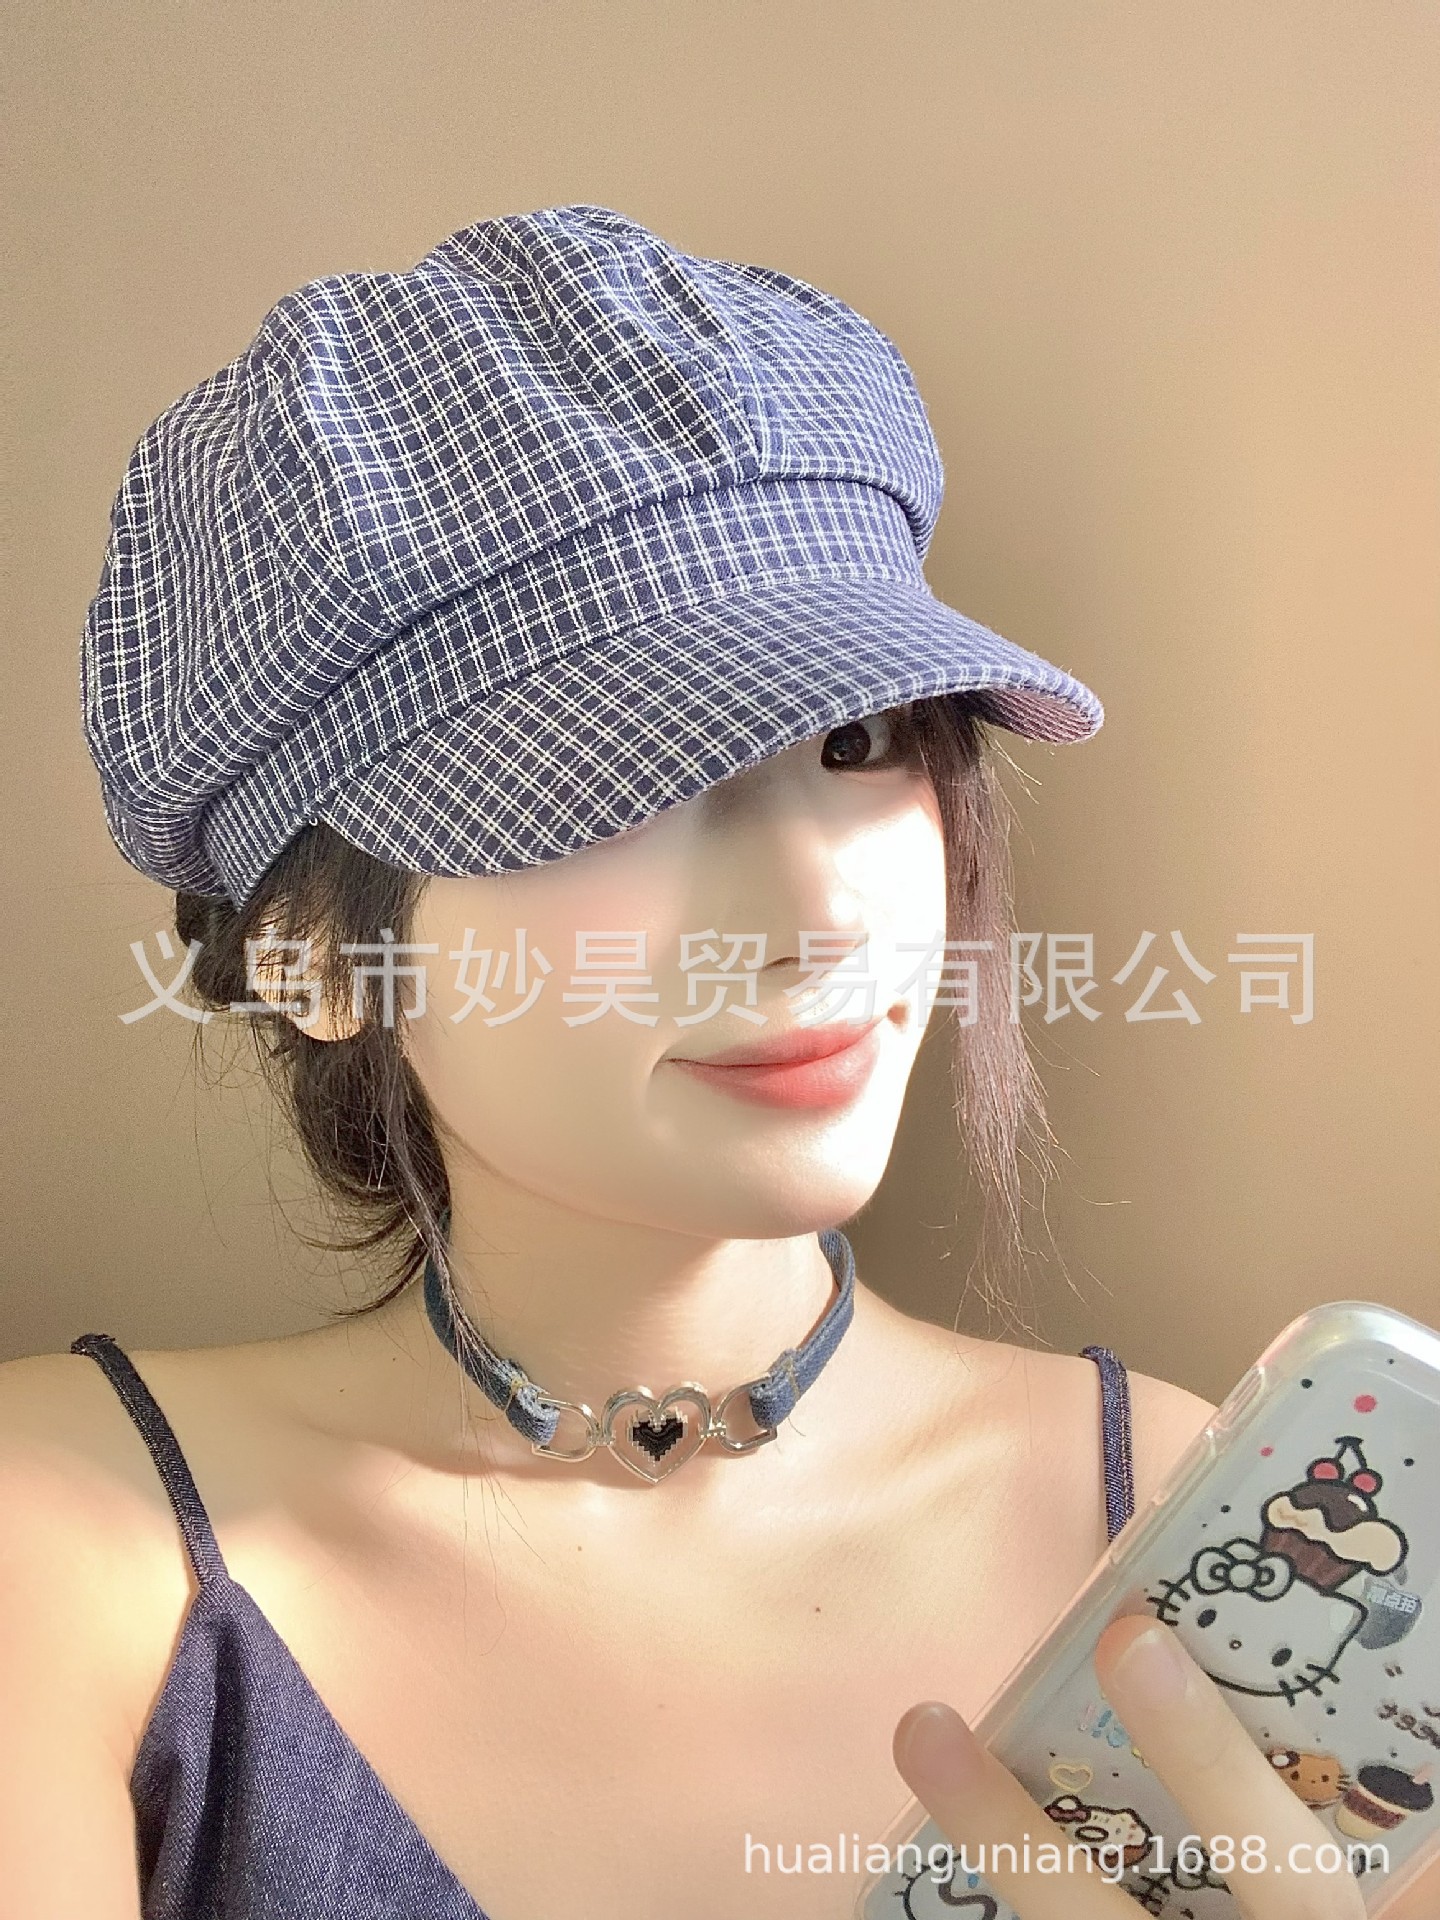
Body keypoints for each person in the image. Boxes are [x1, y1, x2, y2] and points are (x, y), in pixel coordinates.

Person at [1, 204, 1414, 1920]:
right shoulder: (67, 1551)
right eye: (621, 781)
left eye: (859, 738)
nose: (822, 911)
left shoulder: (1196, 1530)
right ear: (308, 949)